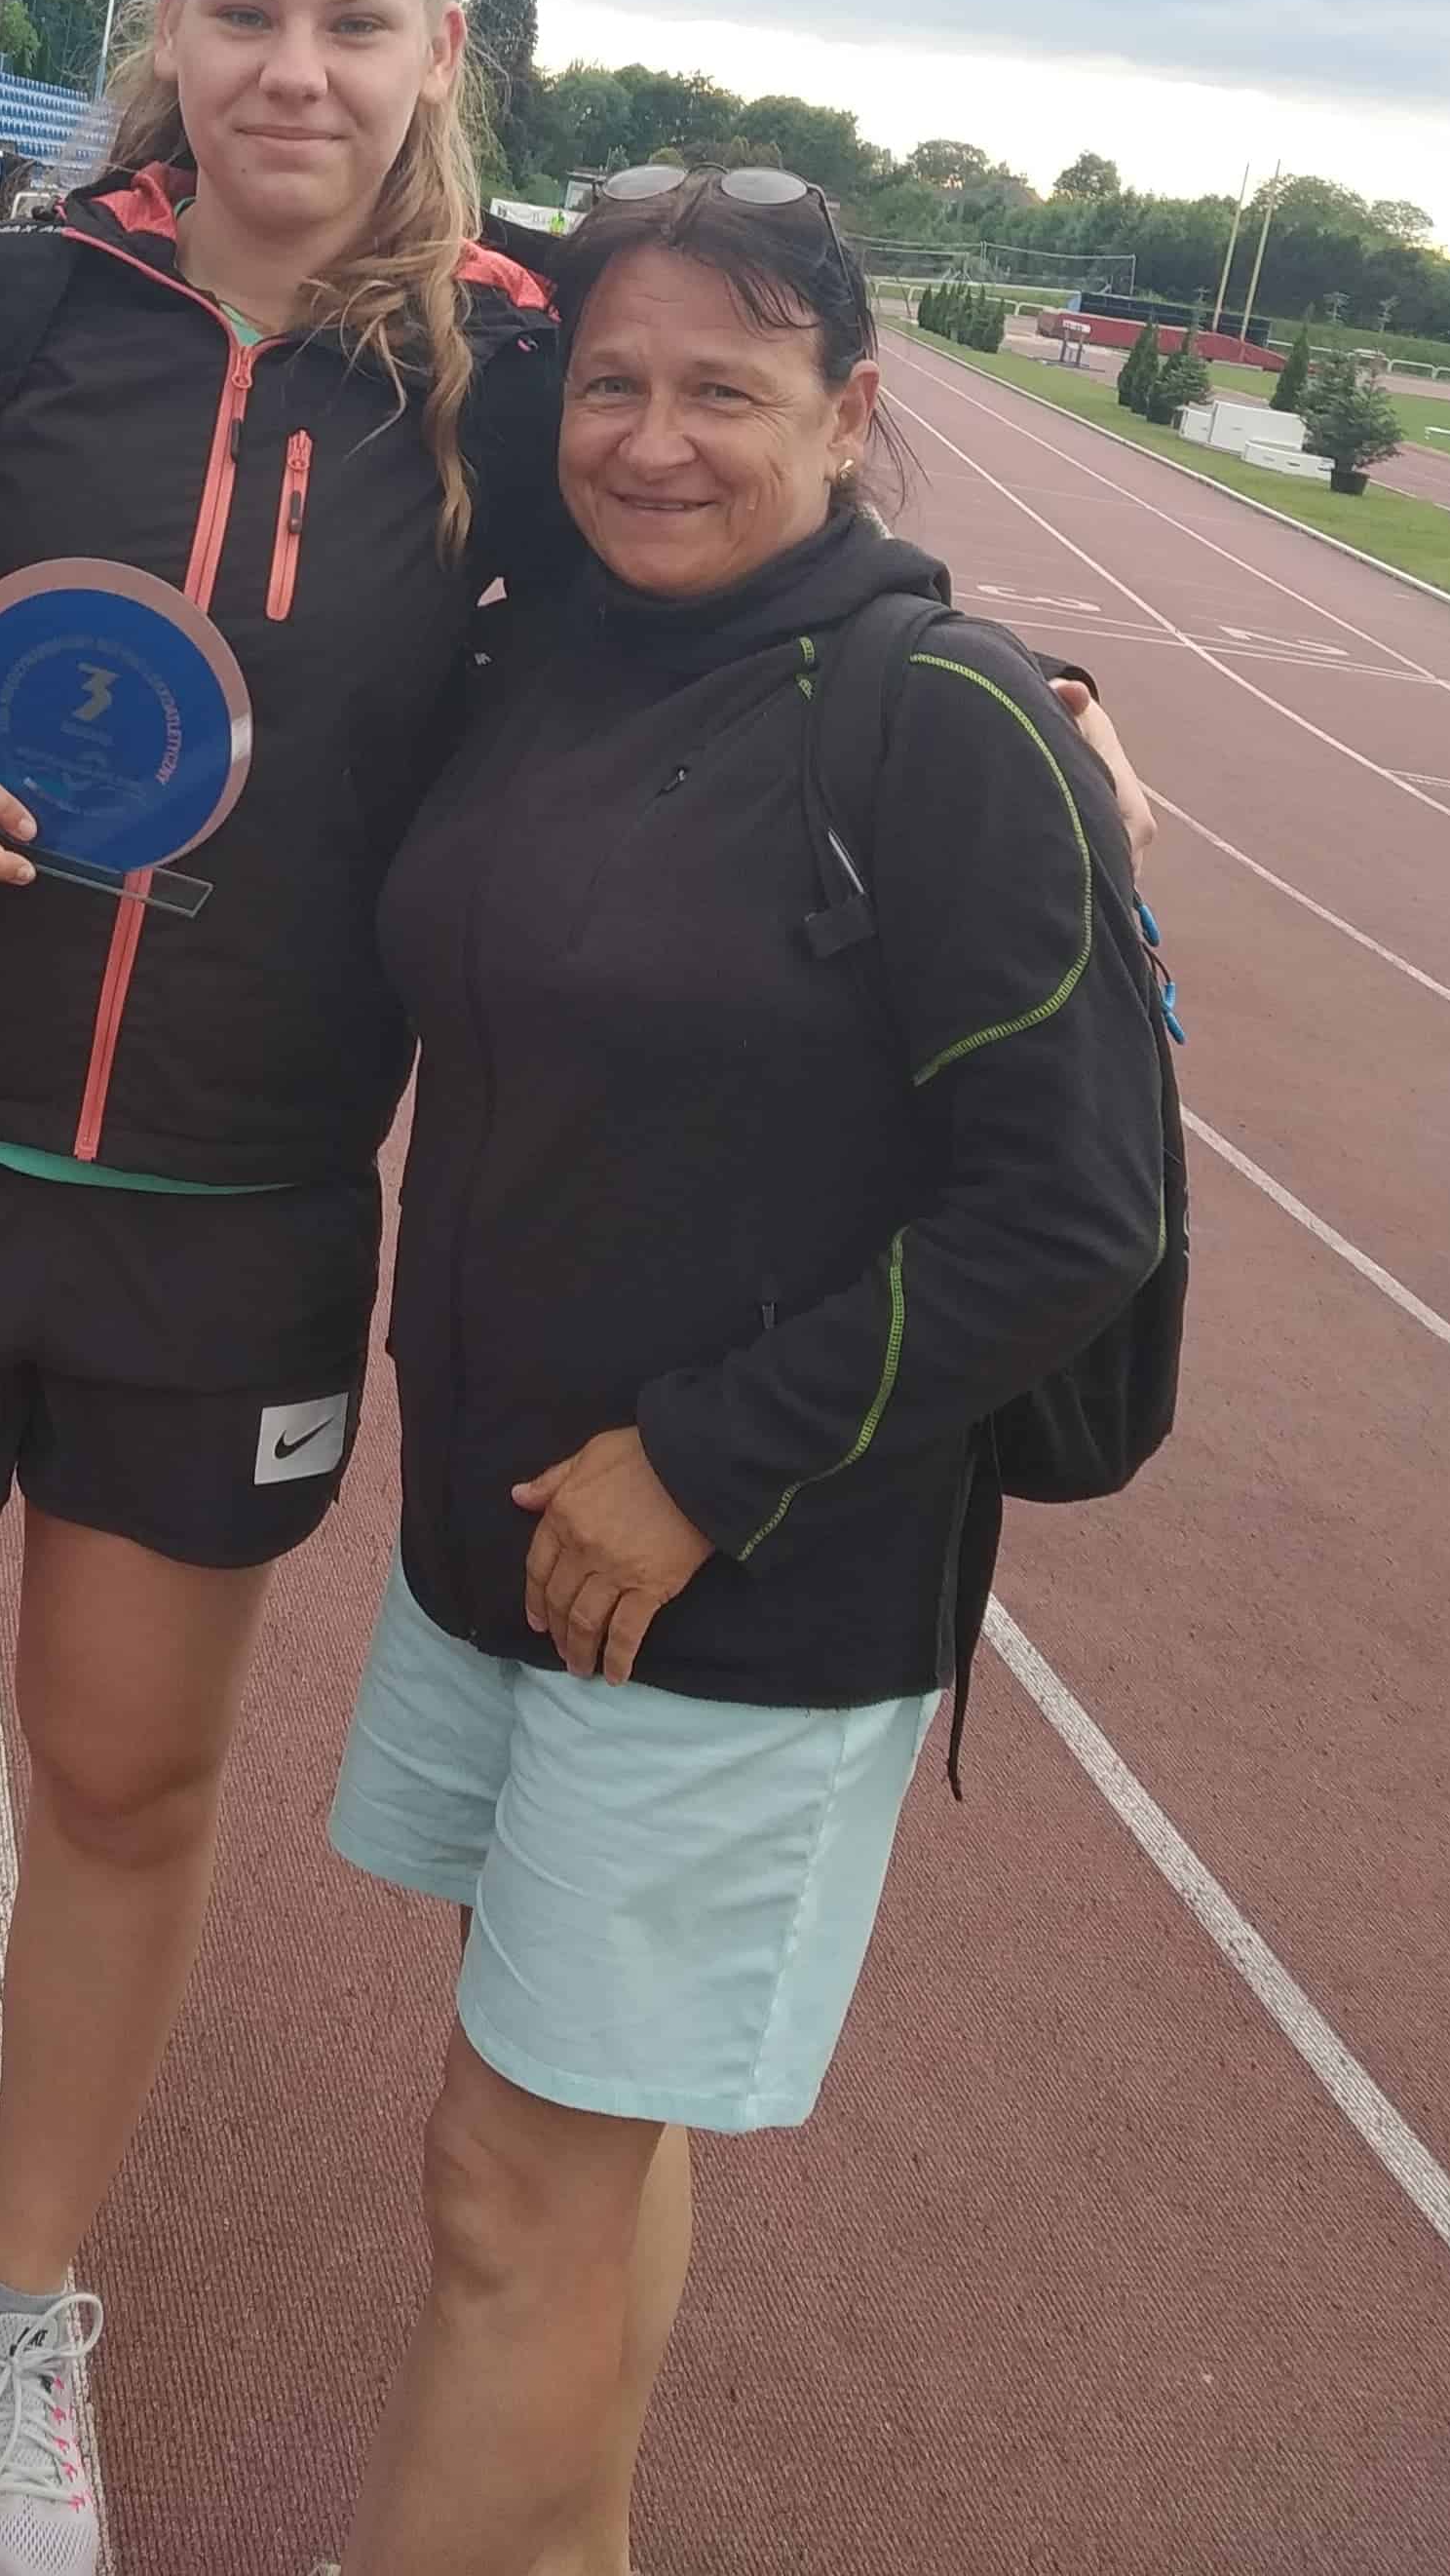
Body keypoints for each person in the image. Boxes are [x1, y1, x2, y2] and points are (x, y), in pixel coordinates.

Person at [0, 0, 1153, 2564]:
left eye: (356, 22)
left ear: (436, 55)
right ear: (169, 28)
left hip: (236, 1208)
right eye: (246, 14)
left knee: (125, 1778)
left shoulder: (505, 376)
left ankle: (23, 2319)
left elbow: (723, 555)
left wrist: (1029, 678)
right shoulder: (7, 310)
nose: (295, 72)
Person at [324, 173, 1173, 2576]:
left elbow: (1071, 1207)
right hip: (512, 1532)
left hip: (744, 1575)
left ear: (851, 410)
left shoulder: (948, 720)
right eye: (612, 381)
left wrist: (705, 1463)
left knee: (508, 2180)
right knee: (584, 2145)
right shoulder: (559, 648)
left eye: (727, 387)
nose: (653, 437)